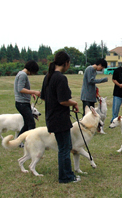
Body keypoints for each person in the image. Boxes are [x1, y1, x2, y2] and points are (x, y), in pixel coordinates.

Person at [40, 51, 80, 183]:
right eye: (69, 63)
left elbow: (44, 97)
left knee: (63, 147)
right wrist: (74, 103)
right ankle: (66, 177)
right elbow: (63, 100)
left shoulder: (48, 76)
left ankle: (66, 174)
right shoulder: (60, 78)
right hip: (60, 119)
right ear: (66, 63)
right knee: (65, 148)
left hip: (51, 117)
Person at [14, 60, 41, 147]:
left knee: (27, 123)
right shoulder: (23, 75)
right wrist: (35, 92)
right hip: (22, 104)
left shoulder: (21, 73)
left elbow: (23, 88)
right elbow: (20, 89)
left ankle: (18, 141)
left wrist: (31, 93)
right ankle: (31, 143)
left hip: (23, 103)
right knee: (31, 123)